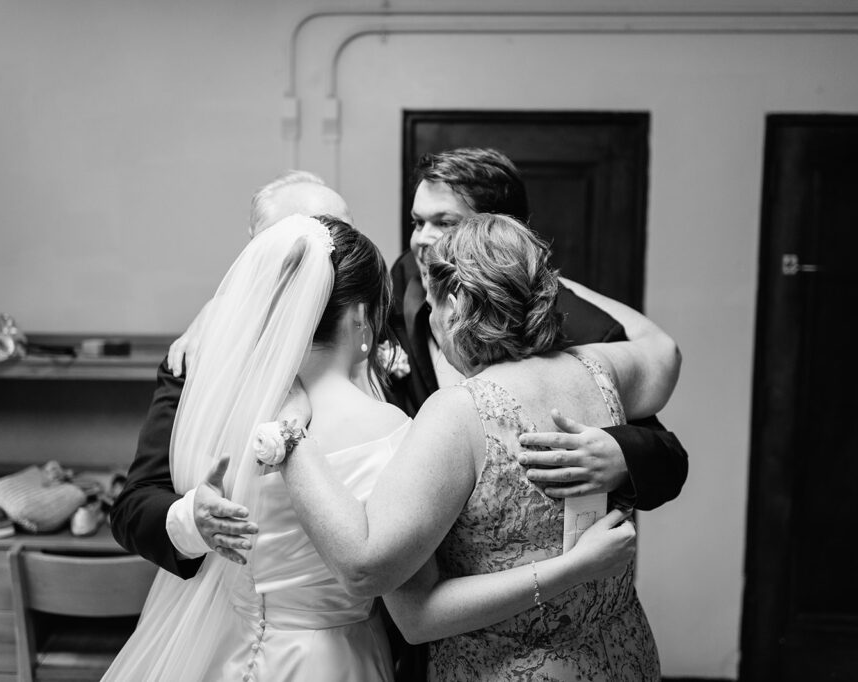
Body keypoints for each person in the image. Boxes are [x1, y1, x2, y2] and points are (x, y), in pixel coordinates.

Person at [104, 214, 645, 681]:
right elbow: (661, 357)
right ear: (363, 318)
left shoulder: (221, 399)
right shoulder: (591, 373)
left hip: (232, 650)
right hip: (343, 656)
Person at [278, 214, 673, 680]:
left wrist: (287, 436)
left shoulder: (458, 413)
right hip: (623, 656)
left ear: (456, 305)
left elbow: (379, 584)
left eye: (432, 306)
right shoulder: (599, 367)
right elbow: (663, 352)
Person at [390, 147, 686, 510]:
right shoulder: (401, 287)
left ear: (500, 234)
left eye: (446, 224)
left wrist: (623, 457)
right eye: (418, 223)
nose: (423, 241)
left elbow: (669, 458)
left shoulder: (569, 322)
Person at [110, 170, 352, 577]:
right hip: (232, 601)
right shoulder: (198, 355)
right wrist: (192, 520)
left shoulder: (374, 344)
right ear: (254, 247)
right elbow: (132, 506)